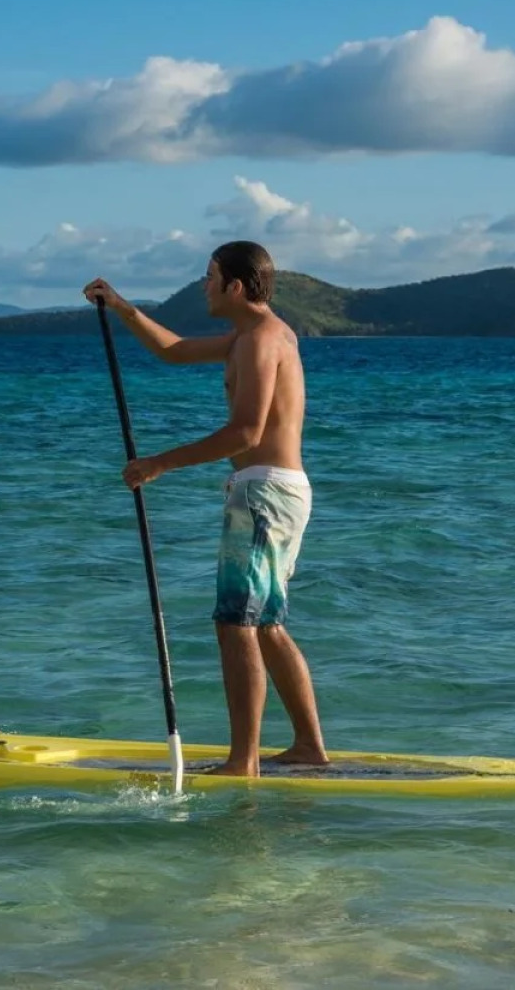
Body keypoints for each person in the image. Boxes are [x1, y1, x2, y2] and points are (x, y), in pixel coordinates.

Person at [83, 240, 328, 777]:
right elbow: (171, 350)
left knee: (235, 623)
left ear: (235, 286)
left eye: (211, 276)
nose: (204, 285)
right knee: (265, 624)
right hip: (277, 489)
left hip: (264, 492)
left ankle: (243, 761)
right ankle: (309, 746)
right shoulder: (249, 336)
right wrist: (120, 306)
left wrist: (159, 464)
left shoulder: (262, 340)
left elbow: (247, 430)